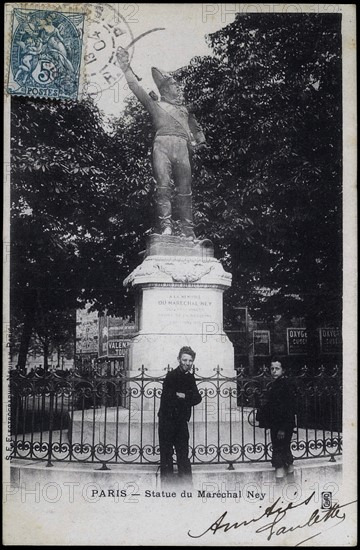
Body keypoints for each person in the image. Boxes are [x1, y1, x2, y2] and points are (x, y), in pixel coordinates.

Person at [116, 47, 207, 238]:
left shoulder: (185, 109)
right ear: (165, 88)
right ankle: (166, 226)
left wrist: (200, 142)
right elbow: (136, 88)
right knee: (163, 186)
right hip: (162, 146)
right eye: (175, 85)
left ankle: (188, 231)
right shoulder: (155, 104)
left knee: (185, 190)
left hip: (182, 147)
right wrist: (126, 69)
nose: (179, 88)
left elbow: (197, 130)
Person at [158, 346, 202, 483]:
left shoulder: (190, 378)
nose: (187, 363)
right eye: (184, 360)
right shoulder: (171, 376)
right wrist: (186, 397)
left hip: (181, 421)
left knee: (183, 455)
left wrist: (182, 396)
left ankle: (187, 487)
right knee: (167, 455)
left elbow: (197, 398)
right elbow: (169, 397)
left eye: (190, 360)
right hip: (167, 421)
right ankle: (167, 488)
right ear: (179, 360)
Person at [257, 357, 296, 479]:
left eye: (277, 368)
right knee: (285, 450)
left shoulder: (285, 385)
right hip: (279, 425)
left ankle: (281, 485)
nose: (274, 371)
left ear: (283, 370)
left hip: (282, 426)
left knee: (279, 451)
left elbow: (288, 408)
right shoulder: (276, 384)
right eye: (272, 368)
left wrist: (282, 428)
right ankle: (291, 483)